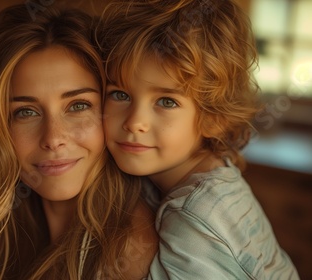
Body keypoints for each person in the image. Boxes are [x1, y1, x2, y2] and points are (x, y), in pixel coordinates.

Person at [0, 4, 158, 280]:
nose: (53, 138)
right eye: (26, 112)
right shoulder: (5, 231)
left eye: (78, 106)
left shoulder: (127, 252)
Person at [97, 0, 299, 279]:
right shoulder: (207, 172)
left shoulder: (195, 218)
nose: (134, 122)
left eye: (166, 101)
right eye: (120, 94)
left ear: (214, 118)